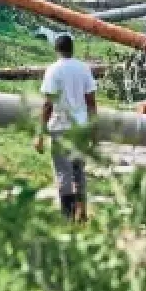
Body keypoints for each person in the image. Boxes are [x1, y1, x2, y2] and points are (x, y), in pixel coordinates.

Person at [34, 34, 98, 222]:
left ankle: (67, 217)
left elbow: (48, 104)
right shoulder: (84, 68)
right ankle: (82, 212)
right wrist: (94, 130)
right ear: (72, 49)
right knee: (79, 172)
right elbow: (91, 102)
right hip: (80, 127)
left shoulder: (54, 70)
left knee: (64, 173)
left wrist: (40, 134)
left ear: (56, 49)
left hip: (61, 127)